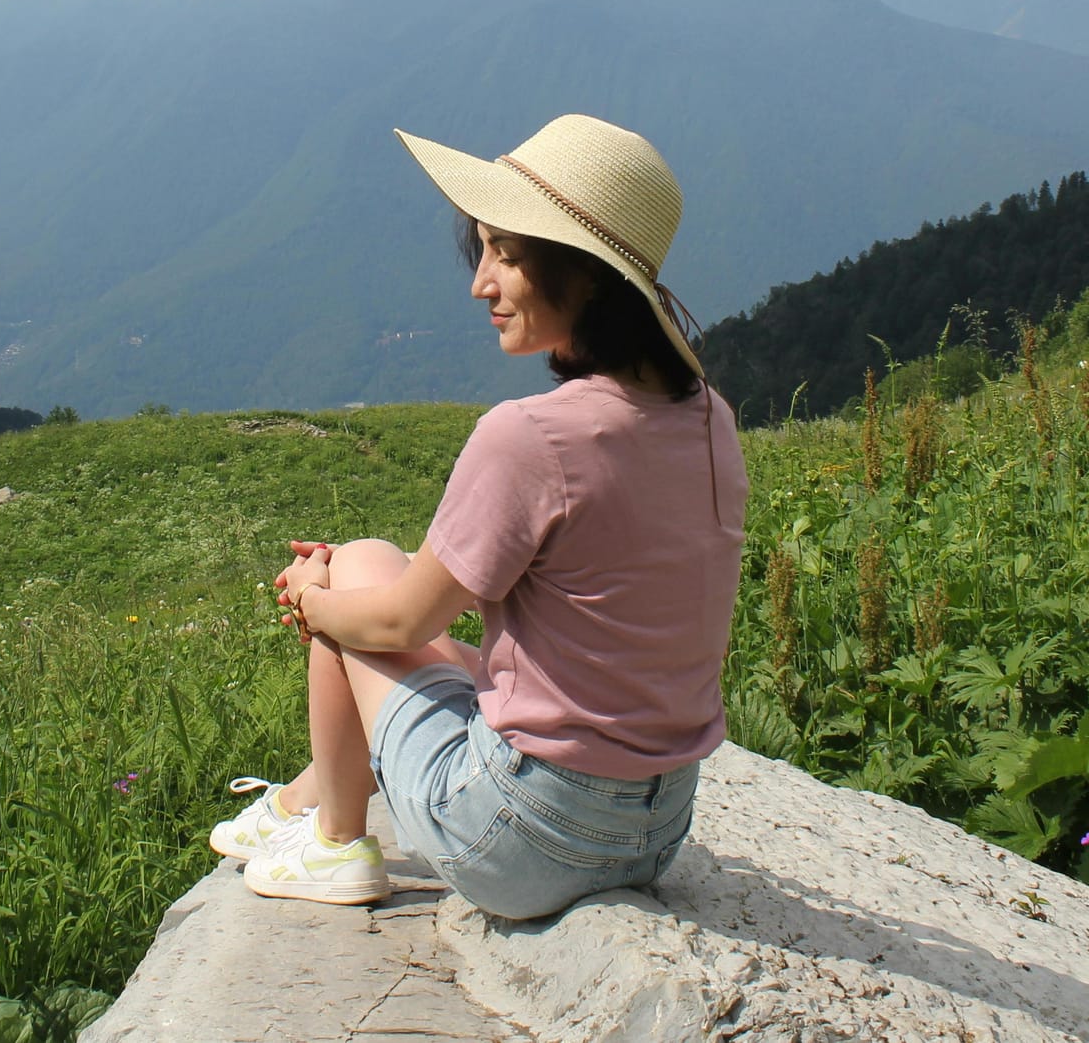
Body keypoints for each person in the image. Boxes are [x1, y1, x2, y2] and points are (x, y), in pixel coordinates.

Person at [209, 114, 747, 919]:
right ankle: (292, 805)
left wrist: (311, 597)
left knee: (358, 576)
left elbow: (396, 622)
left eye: (507, 253)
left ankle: (334, 844)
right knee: (385, 587)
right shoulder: (710, 418)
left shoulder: (529, 436)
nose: (480, 282)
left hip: (522, 838)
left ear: (586, 274)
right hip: (657, 828)